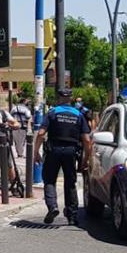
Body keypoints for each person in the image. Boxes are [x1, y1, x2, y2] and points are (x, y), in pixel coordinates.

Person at [35, 88, 92, 225]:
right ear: (70, 98)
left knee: (49, 179)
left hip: (53, 149)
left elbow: (41, 133)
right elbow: (87, 140)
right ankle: (72, 216)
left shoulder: (53, 112)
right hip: (71, 151)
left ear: (58, 98)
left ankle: (53, 206)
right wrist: (85, 160)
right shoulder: (78, 114)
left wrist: (36, 151)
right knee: (70, 182)